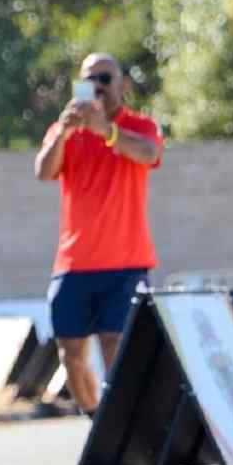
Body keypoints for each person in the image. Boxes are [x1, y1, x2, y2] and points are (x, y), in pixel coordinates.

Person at [34, 52, 164, 417]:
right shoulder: (65, 129)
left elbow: (148, 153)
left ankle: (123, 422)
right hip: (74, 264)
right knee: (70, 356)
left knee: (115, 346)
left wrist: (105, 130)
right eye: (91, 79)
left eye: (105, 79)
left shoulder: (139, 125)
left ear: (122, 84)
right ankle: (98, 418)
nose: (98, 86)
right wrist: (63, 130)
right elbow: (44, 171)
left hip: (126, 263)